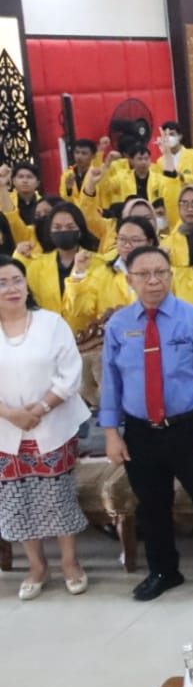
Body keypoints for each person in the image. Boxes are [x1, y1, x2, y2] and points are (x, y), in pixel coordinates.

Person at [100, 246, 193, 602]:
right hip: (140, 431)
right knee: (151, 506)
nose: (153, 281)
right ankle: (164, 571)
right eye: (144, 274)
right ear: (130, 279)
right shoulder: (119, 326)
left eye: (160, 272)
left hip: (191, 428)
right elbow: (111, 384)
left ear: (171, 275)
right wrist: (112, 434)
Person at [0, 256, 91, 600]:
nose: (11, 288)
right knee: (17, 498)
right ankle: (37, 566)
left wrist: (39, 409)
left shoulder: (51, 323)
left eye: (16, 280)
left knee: (57, 496)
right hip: (5, 430)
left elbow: (70, 374)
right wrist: (11, 414)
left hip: (53, 424)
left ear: (27, 285)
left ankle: (70, 562)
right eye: (2, 283)